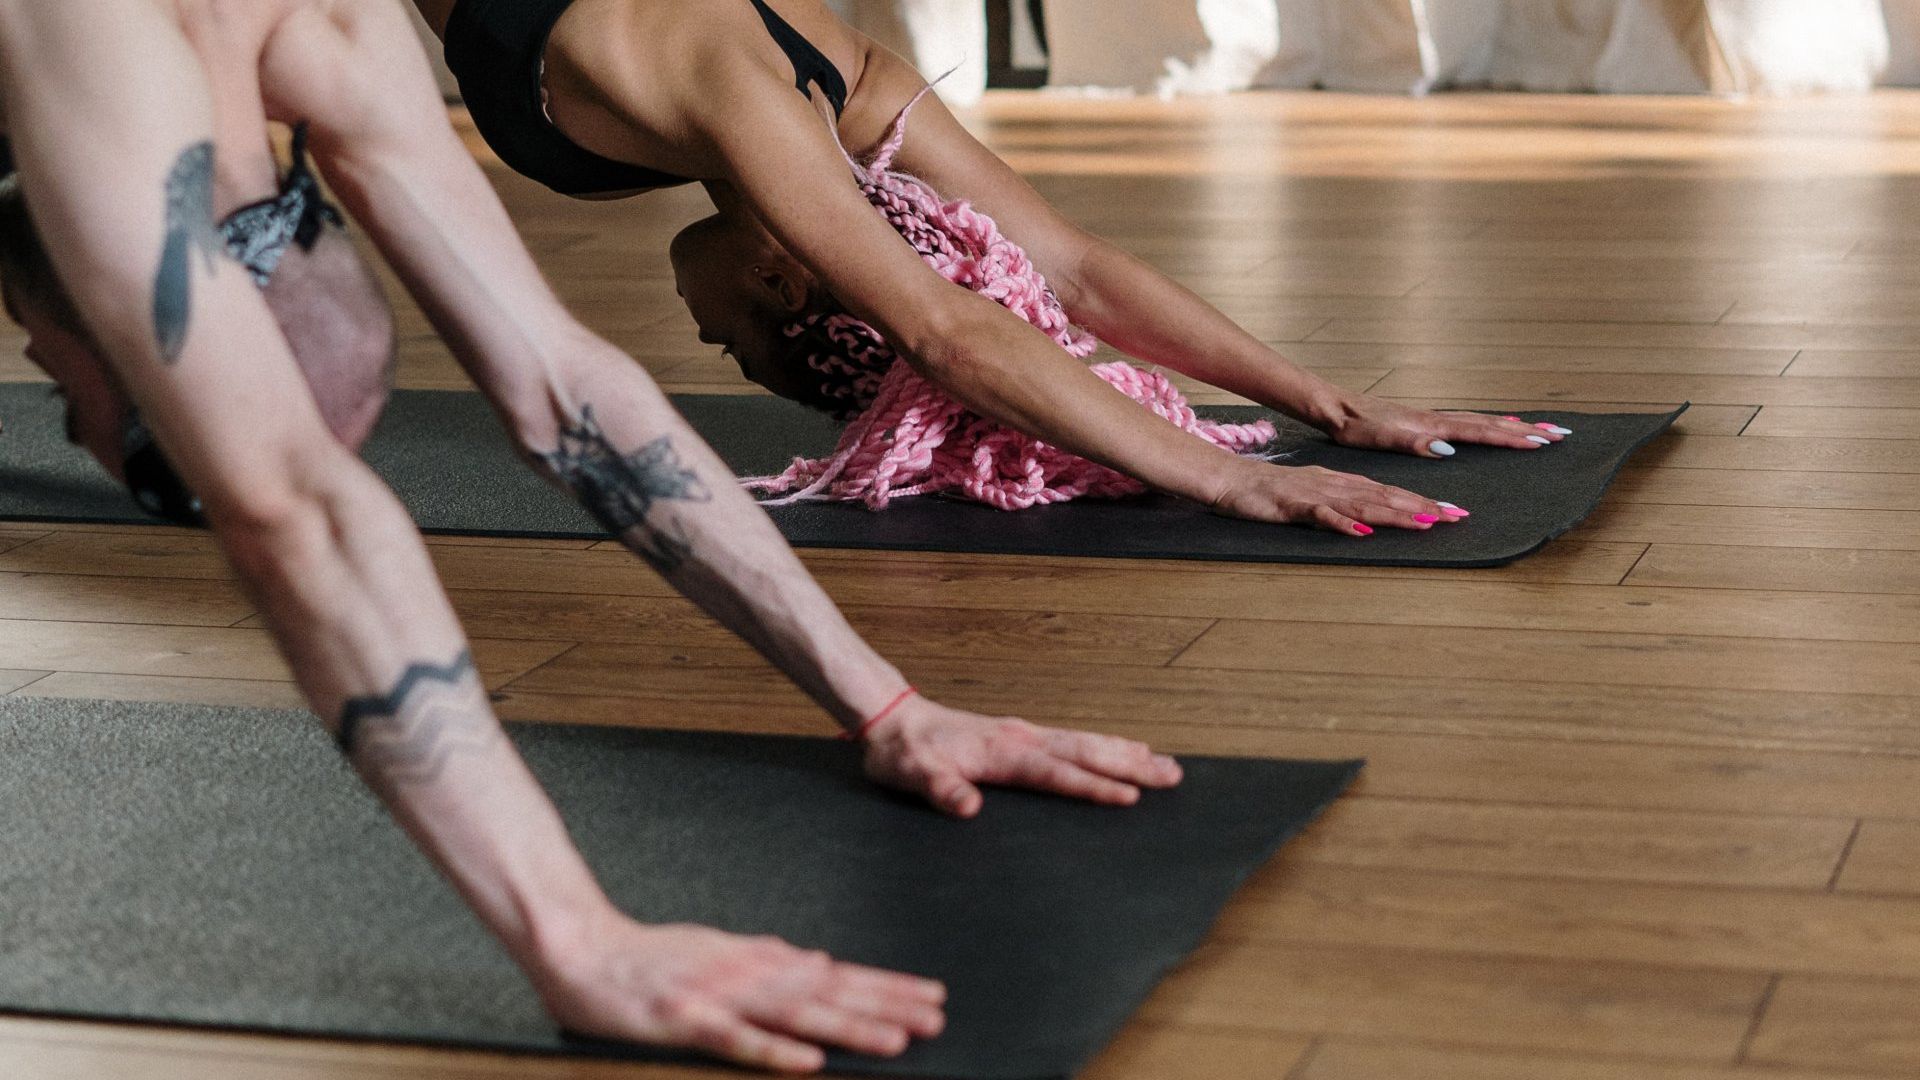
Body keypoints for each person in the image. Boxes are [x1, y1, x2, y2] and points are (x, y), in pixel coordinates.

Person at [0, 0, 1181, 1071]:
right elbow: (286, 495)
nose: (52, 396)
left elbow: (548, 391)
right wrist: (577, 935)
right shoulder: (290, 34)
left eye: (58, 391)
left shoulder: (191, 38)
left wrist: (888, 706)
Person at [414, 0, 1570, 537]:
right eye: (726, 344)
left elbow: (1059, 277)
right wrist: (1259, 456)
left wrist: (1309, 409)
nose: (702, 329)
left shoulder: (820, 87)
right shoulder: (793, 100)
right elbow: (988, 307)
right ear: (782, 283)